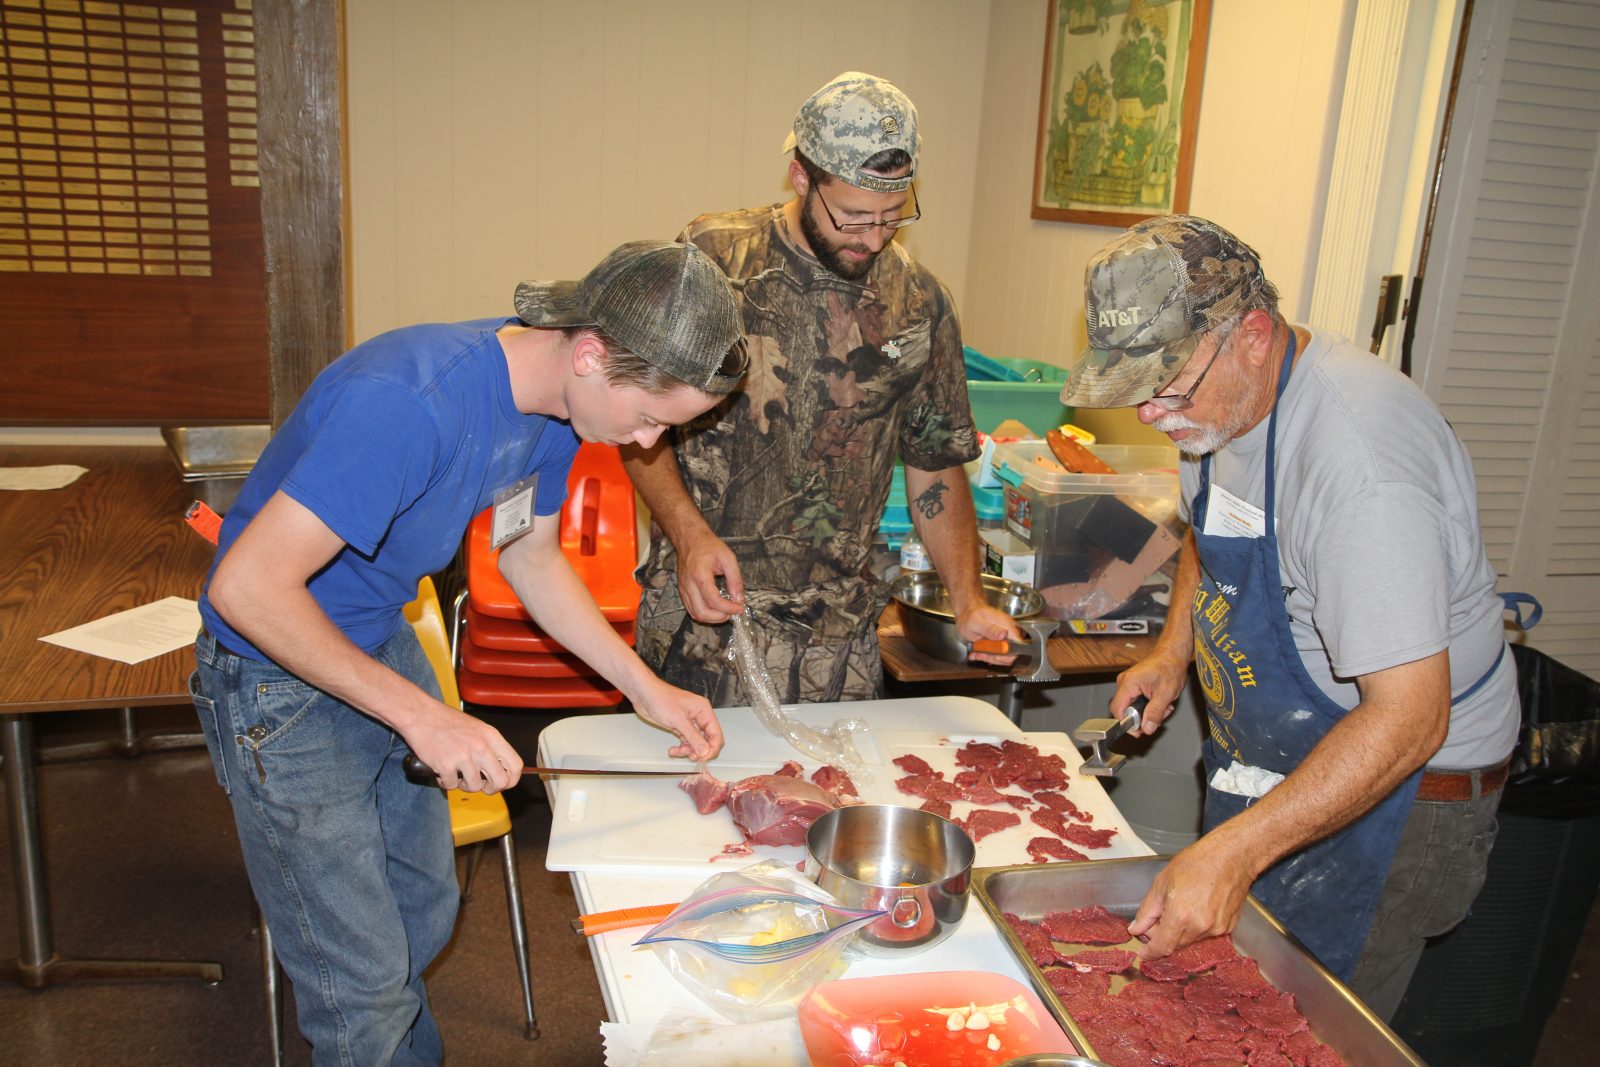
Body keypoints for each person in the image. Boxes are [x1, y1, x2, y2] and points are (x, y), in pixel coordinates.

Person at [190, 239, 746, 1065]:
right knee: (362, 986)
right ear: (591, 353)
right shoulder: (411, 403)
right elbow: (246, 589)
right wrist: (424, 716)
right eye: (652, 416)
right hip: (274, 677)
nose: (644, 442)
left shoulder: (558, 409)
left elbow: (529, 555)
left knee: (423, 905)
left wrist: (644, 686)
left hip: (372, 636)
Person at [1061, 215, 1519, 1020]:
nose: (1151, 416)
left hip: (1405, 793)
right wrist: (1175, 650)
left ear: (1254, 335)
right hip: (1294, 761)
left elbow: (1412, 719)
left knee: (1299, 1030)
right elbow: (1213, 528)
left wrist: (1232, 851)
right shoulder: (1218, 406)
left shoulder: (1360, 470)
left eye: (1166, 386)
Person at [623, 71, 1020, 706]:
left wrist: (968, 601)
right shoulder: (714, 259)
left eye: (895, 217)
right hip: (701, 617)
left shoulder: (919, 304)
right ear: (801, 176)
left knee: (837, 798)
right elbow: (637, 426)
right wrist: (689, 535)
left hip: (836, 641)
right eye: (855, 216)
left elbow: (936, 470)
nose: (874, 238)